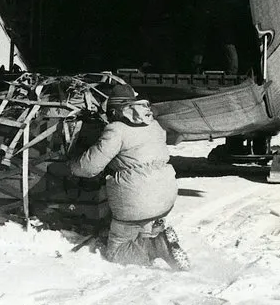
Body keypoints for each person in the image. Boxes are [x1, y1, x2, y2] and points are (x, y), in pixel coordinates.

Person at [59, 84, 190, 270]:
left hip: (136, 199)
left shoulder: (116, 130)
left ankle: (154, 248)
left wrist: (72, 166)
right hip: (166, 195)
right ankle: (156, 237)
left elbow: (90, 167)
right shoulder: (153, 124)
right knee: (142, 225)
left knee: (117, 248)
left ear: (115, 109)